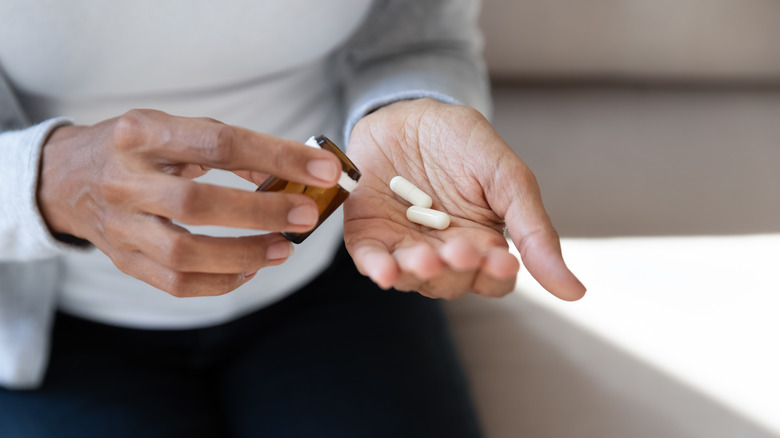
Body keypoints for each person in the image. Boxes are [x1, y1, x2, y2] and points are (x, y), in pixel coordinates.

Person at [0, 1, 585, 436]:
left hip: (342, 266)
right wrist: (41, 180)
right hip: (55, 331)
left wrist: (408, 104)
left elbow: (416, 35)